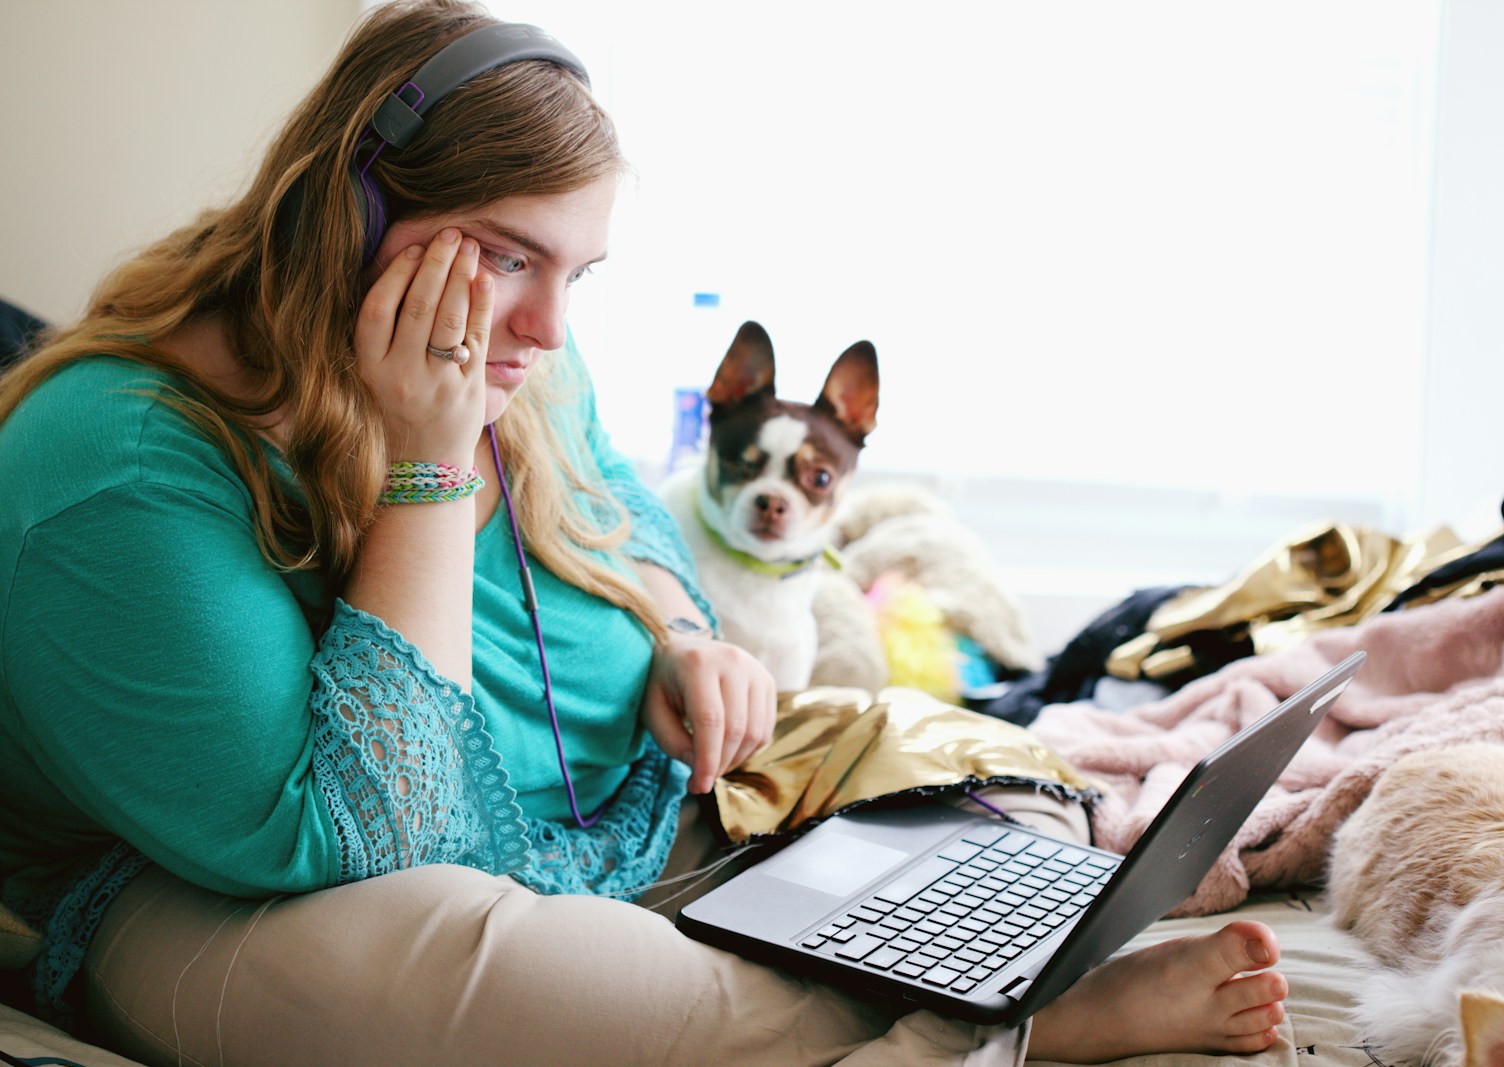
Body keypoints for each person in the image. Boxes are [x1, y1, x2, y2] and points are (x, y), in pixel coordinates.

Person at [0, 2, 1290, 1063]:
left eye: (580, 274)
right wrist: (430, 466)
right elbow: (369, 835)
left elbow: (631, 525)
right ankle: (1005, 1016)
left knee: (979, 774)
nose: (552, 332)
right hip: (256, 897)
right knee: (505, 987)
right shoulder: (110, 465)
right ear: (354, 218)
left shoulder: (515, 348)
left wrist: (685, 638)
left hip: (632, 813)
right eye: (510, 256)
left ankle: (967, 965)